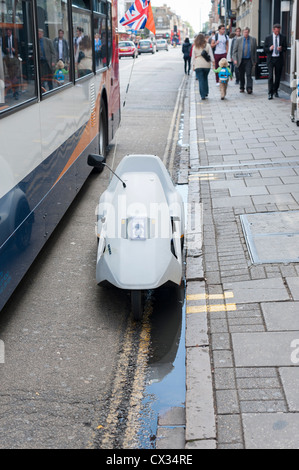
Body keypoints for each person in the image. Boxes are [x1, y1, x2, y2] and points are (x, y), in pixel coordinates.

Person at [264, 24, 287, 99]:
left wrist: (281, 49)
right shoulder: (268, 38)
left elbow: (285, 48)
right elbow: (265, 49)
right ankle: (270, 93)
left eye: (278, 31)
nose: (277, 33)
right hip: (271, 59)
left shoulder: (283, 37)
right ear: (273, 30)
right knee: (270, 76)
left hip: (279, 59)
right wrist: (270, 48)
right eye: (276, 31)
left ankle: (275, 90)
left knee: (277, 76)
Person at [232, 26, 257, 94]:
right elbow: (234, 51)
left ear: (248, 32)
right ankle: (242, 87)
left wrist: (255, 60)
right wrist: (235, 59)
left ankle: (249, 88)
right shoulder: (238, 40)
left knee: (249, 74)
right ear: (242, 32)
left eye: (247, 32)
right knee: (241, 74)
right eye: (244, 32)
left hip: (249, 60)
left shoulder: (253, 39)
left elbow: (255, 51)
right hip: (241, 60)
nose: (246, 33)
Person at [192, 33, 214, 100]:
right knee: (205, 78)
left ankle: (202, 95)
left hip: (198, 64)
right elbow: (211, 55)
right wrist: (213, 62)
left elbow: (192, 58)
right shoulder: (207, 45)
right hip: (207, 64)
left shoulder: (195, 46)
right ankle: (206, 92)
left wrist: (193, 66)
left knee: (201, 80)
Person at [2, 28, 20, 99]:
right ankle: (13, 91)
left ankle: (16, 92)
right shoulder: (4, 39)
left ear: (11, 32)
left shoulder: (15, 39)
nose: (8, 34)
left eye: (9, 33)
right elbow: (3, 49)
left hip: (14, 59)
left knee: (15, 76)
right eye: (7, 33)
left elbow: (19, 49)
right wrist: (6, 49)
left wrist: (14, 50)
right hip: (8, 59)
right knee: (10, 76)